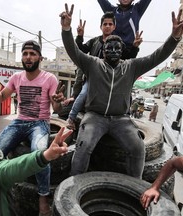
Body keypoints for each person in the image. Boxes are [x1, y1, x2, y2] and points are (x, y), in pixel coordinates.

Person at [60, 4, 183, 178]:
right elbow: (73, 50)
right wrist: (66, 29)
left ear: (122, 51)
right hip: (95, 117)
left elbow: (158, 56)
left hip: (121, 120)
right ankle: (72, 184)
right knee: (84, 145)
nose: (113, 51)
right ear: (103, 51)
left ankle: (135, 186)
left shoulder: (132, 67)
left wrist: (174, 38)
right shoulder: (93, 64)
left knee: (138, 148)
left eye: (117, 48)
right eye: (109, 48)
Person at [0, 40, 65, 215]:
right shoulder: (16, 78)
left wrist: (57, 103)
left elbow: (56, 109)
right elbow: (0, 98)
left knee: (40, 153)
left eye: (32, 54)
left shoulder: (49, 78)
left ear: (40, 57)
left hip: (40, 123)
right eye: (25, 54)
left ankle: (43, 197)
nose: (28, 57)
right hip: (20, 122)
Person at [66, 11, 143, 129]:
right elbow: (80, 51)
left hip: (113, 78)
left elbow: (129, 57)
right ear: (101, 26)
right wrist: (80, 36)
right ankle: (71, 118)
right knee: (83, 94)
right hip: (94, 77)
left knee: (127, 96)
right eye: (105, 24)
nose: (107, 26)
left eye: (110, 24)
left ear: (114, 27)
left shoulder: (118, 43)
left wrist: (135, 47)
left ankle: (126, 122)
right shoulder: (94, 41)